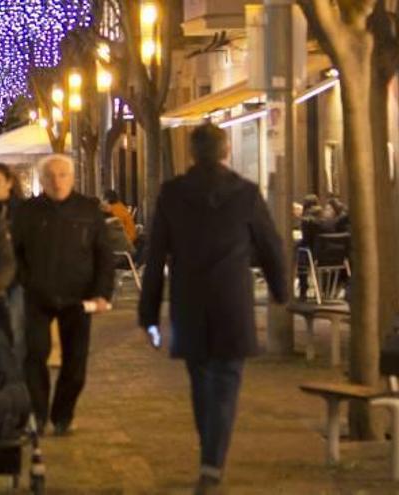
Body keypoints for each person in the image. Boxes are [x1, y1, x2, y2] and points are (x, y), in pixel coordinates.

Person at [138, 123, 287, 494]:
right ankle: (212, 462)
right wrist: (281, 291)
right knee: (225, 382)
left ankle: (210, 458)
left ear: (192, 153)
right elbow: (271, 247)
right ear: (226, 152)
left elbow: (155, 257)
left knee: (202, 381)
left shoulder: (172, 194)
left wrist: (149, 312)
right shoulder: (246, 194)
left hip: (190, 303)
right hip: (231, 302)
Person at [12, 154, 114, 435]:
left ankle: (62, 415)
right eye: (51, 176)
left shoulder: (88, 210)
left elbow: (103, 255)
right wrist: (26, 280)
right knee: (35, 356)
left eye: (63, 175)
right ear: (42, 180)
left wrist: (102, 293)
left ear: (72, 178)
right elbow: (15, 253)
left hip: (78, 299)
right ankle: (39, 414)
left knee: (76, 362)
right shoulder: (28, 211)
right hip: (38, 296)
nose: (57, 182)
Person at [0, 163, 26, 362]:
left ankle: (15, 372)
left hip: (18, 279)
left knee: (17, 329)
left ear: (9, 183)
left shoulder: (21, 211)